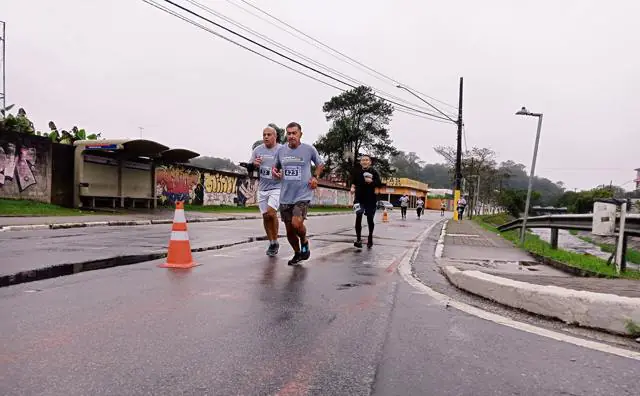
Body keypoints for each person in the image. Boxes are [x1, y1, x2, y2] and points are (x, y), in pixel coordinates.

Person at [272, 122, 325, 266]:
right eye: (288, 133)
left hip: (302, 194)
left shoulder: (309, 149)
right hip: (285, 196)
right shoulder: (281, 151)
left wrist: (315, 178)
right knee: (289, 231)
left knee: (296, 224)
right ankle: (297, 253)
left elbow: (320, 164)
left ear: (300, 134)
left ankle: (304, 240)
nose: (291, 136)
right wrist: (275, 173)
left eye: (294, 133)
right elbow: (276, 168)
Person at [247, 127, 282, 256]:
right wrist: (254, 165)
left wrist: (281, 173)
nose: (266, 137)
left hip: (277, 187)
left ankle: (276, 240)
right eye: (264, 135)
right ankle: (272, 242)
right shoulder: (258, 150)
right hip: (262, 188)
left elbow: (288, 167)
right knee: (265, 216)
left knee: (272, 213)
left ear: (275, 136)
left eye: (269, 134)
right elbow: (249, 168)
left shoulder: (282, 150)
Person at [350, 154, 382, 248]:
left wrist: (372, 182)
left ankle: (370, 237)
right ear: (360, 162)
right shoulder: (357, 172)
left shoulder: (374, 172)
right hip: (359, 198)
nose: (364, 161)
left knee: (370, 219)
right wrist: (352, 187)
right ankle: (358, 239)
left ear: (370, 162)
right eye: (363, 160)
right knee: (358, 215)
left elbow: (379, 184)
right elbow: (353, 182)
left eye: (366, 160)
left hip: (370, 199)